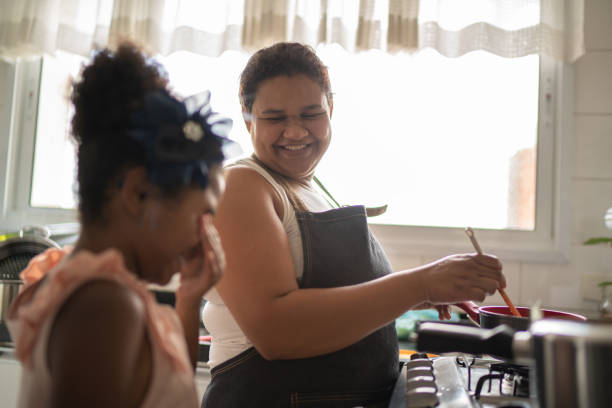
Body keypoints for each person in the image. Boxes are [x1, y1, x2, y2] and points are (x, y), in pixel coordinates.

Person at [201, 41, 506, 407]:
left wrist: (427, 292)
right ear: (248, 117)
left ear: (331, 107)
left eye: (311, 113)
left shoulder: (312, 187)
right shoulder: (241, 186)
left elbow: (326, 296)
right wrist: (419, 283)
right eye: (275, 117)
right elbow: (276, 330)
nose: (296, 132)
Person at [7, 43, 234, 408]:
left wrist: (189, 300)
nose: (203, 235)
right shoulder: (106, 306)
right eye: (201, 215)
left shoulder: (75, 282)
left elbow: (156, 391)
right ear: (138, 192)